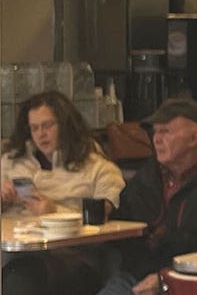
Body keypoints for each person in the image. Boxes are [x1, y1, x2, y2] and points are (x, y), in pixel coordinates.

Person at [99, 98, 197, 295]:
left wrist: (165, 278)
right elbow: (123, 225)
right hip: (135, 277)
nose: (156, 139)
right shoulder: (148, 175)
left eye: (165, 131)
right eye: (155, 132)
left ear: (194, 138)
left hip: (189, 282)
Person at [1, 91, 126, 295]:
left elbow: (104, 219)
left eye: (48, 126)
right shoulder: (11, 161)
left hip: (71, 256)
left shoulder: (98, 168)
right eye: (34, 128)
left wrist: (54, 212)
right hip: (11, 251)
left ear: (66, 125)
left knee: (23, 278)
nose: (41, 134)